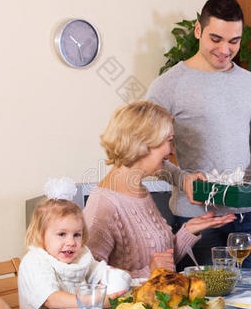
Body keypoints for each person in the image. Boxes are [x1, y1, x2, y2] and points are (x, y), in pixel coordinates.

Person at [146, 0, 251, 269]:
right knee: (203, 304)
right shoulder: (167, 86)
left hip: (244, 217)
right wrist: (184, 180)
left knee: (250, 299)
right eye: (216, 39)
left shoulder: (249, 83)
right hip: (195, 220)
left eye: (234, 41)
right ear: (198, 30)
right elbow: (146, 154)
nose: (225, 49)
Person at [84, 101, 235, 278]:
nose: (172, 151)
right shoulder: (103, 205)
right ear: (144, 142)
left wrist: (188, 231)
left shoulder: (139, 191)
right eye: (169, 141)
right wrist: (149, 271)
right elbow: (89, 279)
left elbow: (162, 263)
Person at [18, 178, 131, 309]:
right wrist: (93, 301)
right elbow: (51, 300)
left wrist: (117, 278)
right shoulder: (35, 260)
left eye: (77, 234)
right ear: (40, 235)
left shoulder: (79, 257)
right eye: (62, 234)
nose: (71, 242)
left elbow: (101, 272)